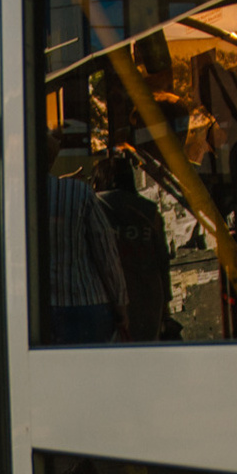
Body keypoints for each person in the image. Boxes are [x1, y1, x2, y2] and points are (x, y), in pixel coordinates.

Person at [44, 128, 129, 344]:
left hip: (39, 310)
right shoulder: (79, 193)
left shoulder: (10, 200)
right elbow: (106, 255)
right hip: (89, 307)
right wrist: (120, 306)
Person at [94, 155, 171, 342]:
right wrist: (166, 305)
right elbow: (162, 260)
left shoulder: (93, 206)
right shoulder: (150, 212)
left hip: (107, 299)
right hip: (147, 297)